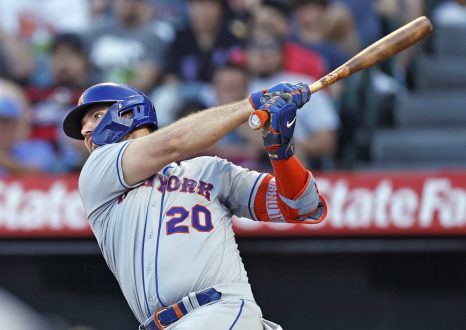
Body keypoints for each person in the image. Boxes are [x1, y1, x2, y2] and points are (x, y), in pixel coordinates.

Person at [62, 81, 328, 329]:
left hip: (220, 312)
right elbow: (172, 143)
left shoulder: (208, 170)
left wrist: (281, 154)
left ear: (129, 114)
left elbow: (302, 205)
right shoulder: (97, 173)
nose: (85, 131)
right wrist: (252, 104)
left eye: (95, 117)